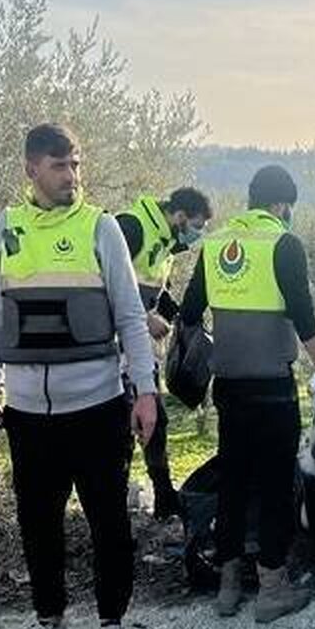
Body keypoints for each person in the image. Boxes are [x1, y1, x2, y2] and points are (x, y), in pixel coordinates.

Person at [0, 123, 158, 629]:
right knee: (38, 522)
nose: (71, 176)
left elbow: (130, 318)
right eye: (60, 166)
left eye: (76, 164)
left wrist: (145, 391)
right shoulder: (5, 230)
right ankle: (49, 622)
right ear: (31, 169)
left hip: (97, 408)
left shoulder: (101, 228)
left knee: (108, 523)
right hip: (29, 415)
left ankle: (112, 626)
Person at [179, 164, 315, 624]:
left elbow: (189, 311)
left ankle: (227, 587)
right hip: (272, 389)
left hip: (228, 388)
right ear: (282, 204)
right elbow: (304, 318)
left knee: (232, 480)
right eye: (290, 208)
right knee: (274, 487)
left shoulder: (214, 244)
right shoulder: (284, 244)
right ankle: (271, 588)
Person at [116, 188, 212, 519]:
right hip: (111, 350)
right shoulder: (131, 227)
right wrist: (146, 318)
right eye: (196, 225)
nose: (196, 233)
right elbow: (101, 284)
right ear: (180, 215)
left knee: (156, 419)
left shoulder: (167, 245)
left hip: (139, 349)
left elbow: (159, 292)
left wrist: (186, 317)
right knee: (123, 424)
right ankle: (116, 501)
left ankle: (164, 496)